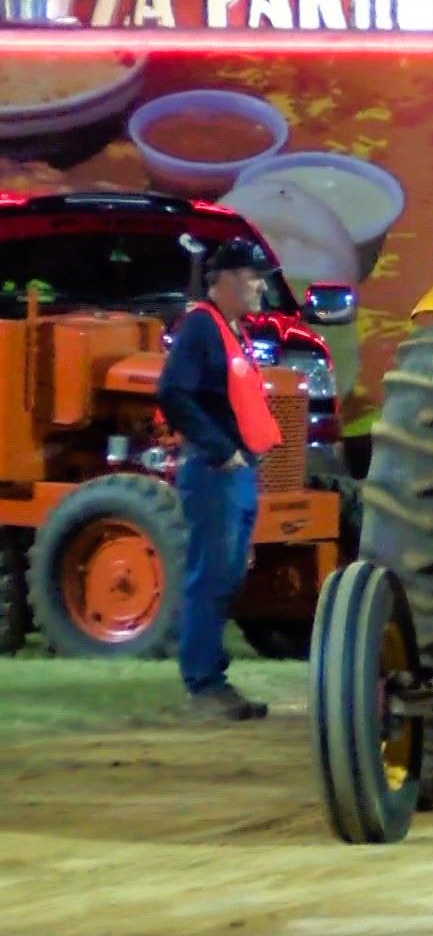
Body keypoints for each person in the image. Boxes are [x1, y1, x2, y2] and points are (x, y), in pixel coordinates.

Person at [156, 238, 286, 721]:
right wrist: (221, 449)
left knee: (224, 576)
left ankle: (212, 681)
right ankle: (204, 685)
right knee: (210, 578)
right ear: (226, 279)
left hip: (235, 474)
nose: (258, 286)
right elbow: (172, 392)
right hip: (214, 474)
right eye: (252, 277)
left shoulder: (229, 330)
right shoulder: (201, 329)